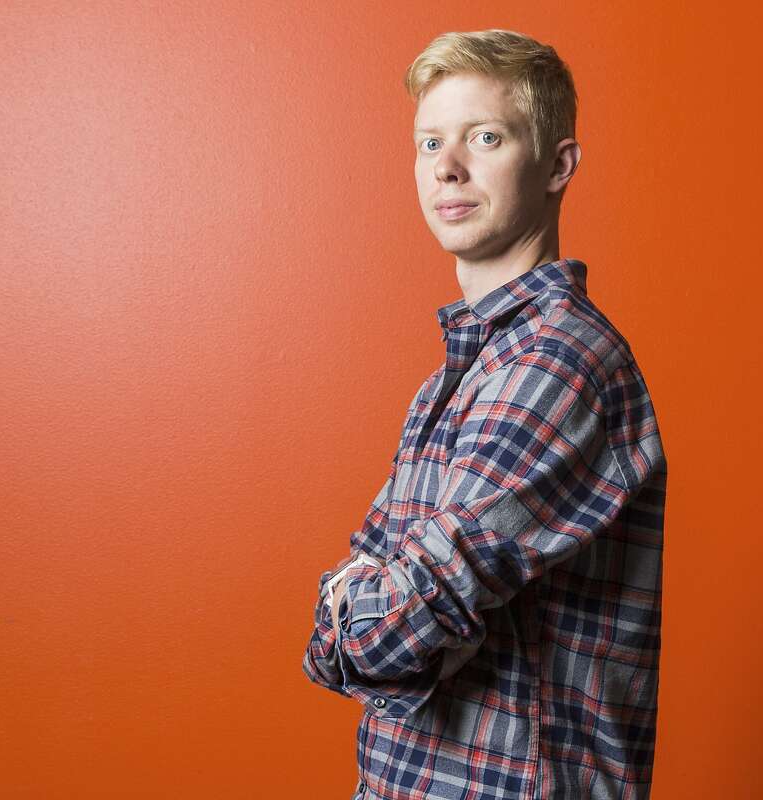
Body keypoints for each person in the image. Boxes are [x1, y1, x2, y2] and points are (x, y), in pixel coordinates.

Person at [302, 28, 668, 800]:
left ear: (558, 167)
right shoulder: (466, 371)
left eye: (486, 137)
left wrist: (370, 601)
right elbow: (367, 600)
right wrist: (379, 598)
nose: (447, 167)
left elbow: (384, 633)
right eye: (430, 142)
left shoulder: (557, 364)